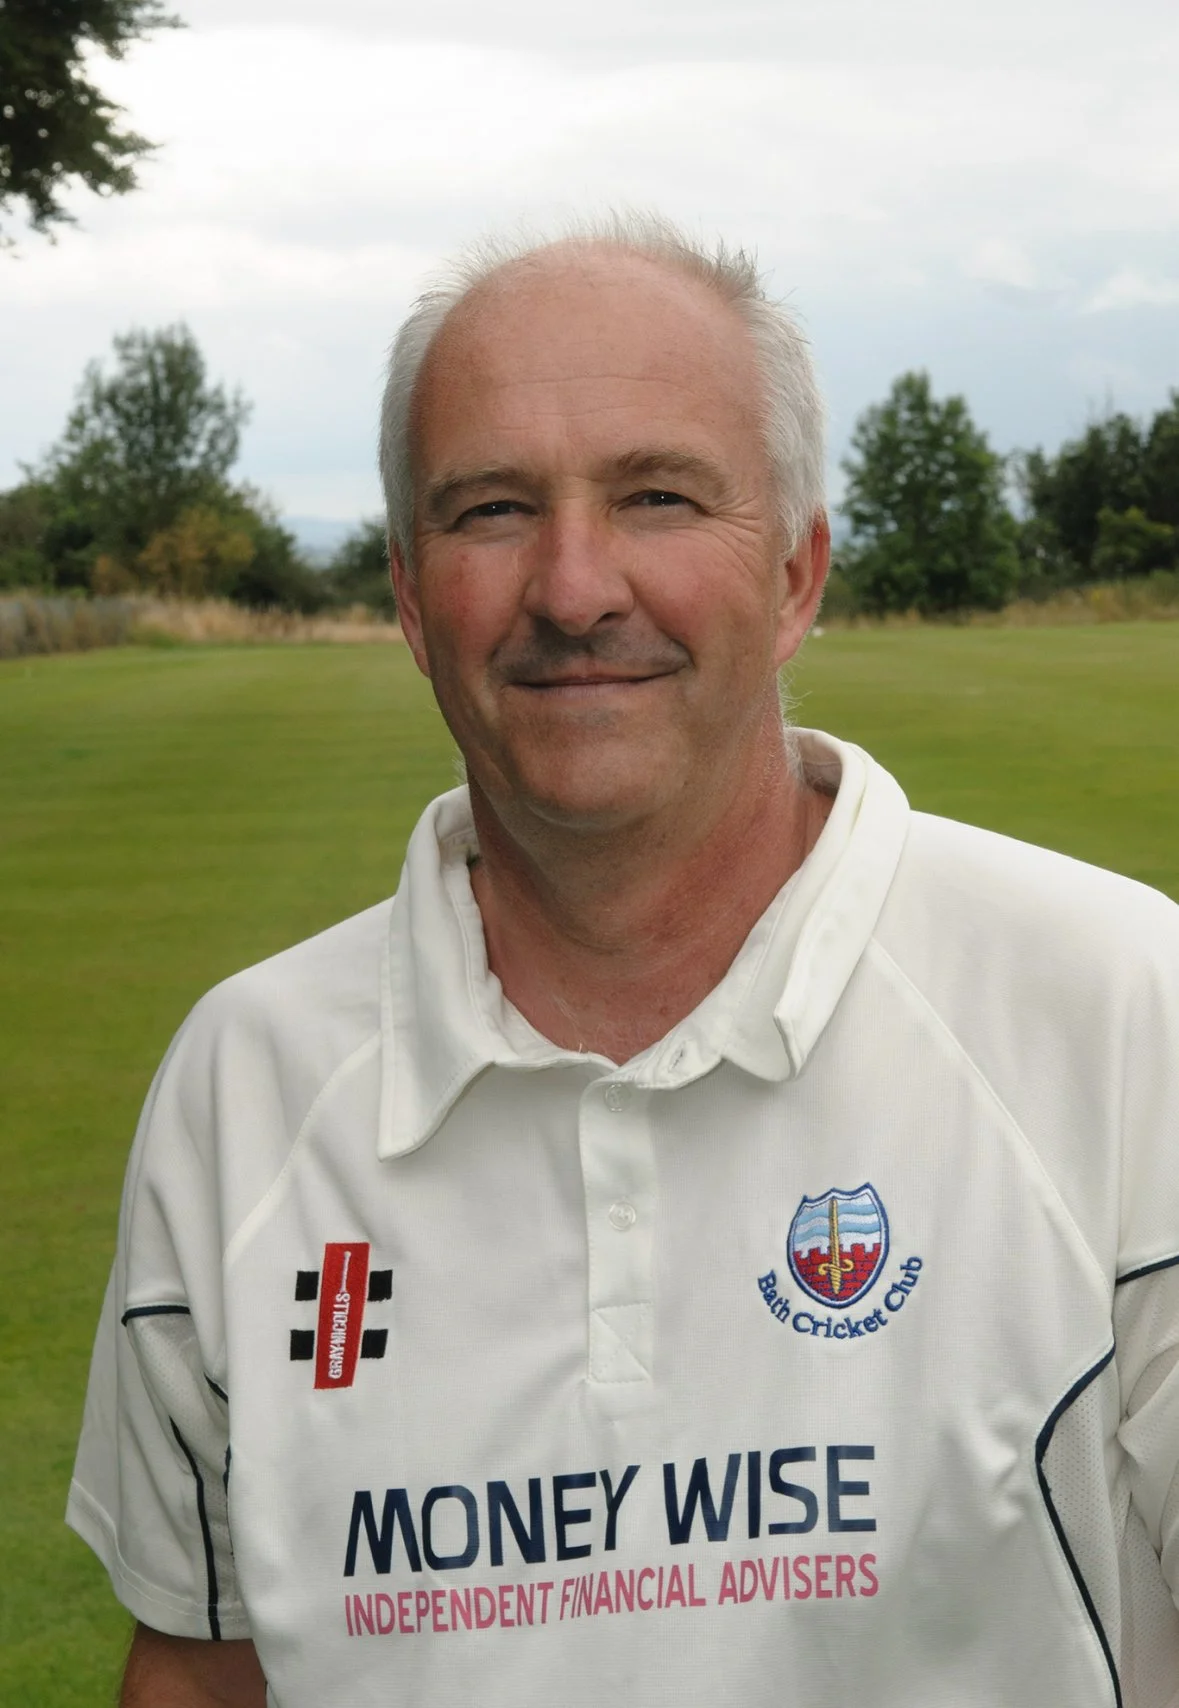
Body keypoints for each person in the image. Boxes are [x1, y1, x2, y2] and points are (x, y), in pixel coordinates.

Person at [69, 214, 1179, 1708]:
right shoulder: (243, 1081)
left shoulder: (1117, 1005)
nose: (574, 586)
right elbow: (201, 1672)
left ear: (793, 575)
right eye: (490, 511)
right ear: (407, 597)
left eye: (656, 495)